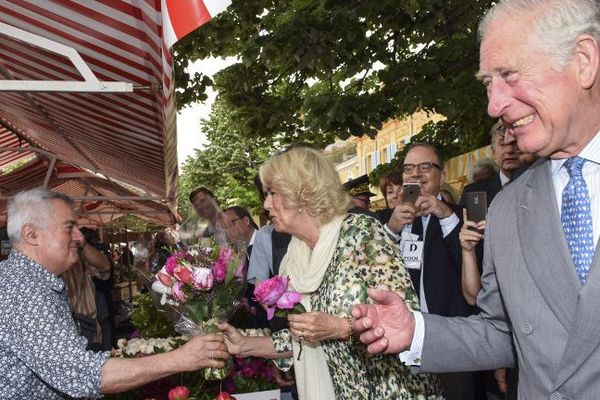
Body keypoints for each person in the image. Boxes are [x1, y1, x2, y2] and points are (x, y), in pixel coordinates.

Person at [352, 0, 600, 398]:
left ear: (583, 60)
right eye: (488, 83)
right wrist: (418, 332)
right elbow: (504, 332)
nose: (494, 105)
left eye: (509, 75)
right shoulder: (505, 208)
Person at [219, 147, 442, 400]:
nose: (266, 203)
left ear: (302, 193)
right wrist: (244, 343)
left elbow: (407, 325)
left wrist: (340, 328)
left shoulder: (361, 234)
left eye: (272, 193)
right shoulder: (294, 257)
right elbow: (301, 336)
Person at [0, 188, 228, 398]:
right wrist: (181, 358)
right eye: (69, 227)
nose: (80, 238)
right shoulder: (23, 289)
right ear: (31, 235)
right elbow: (84, 375)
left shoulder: (27, 281)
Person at [384, 143, 475, 400]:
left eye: (425, 167)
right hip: (403, 342)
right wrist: (392, 227)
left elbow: (472, 269)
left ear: (442, 176)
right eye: (409, 168)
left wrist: (443, 213)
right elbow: (373, 266)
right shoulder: (390, 220)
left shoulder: (460, 217)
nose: (416, 174)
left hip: (452, 340)